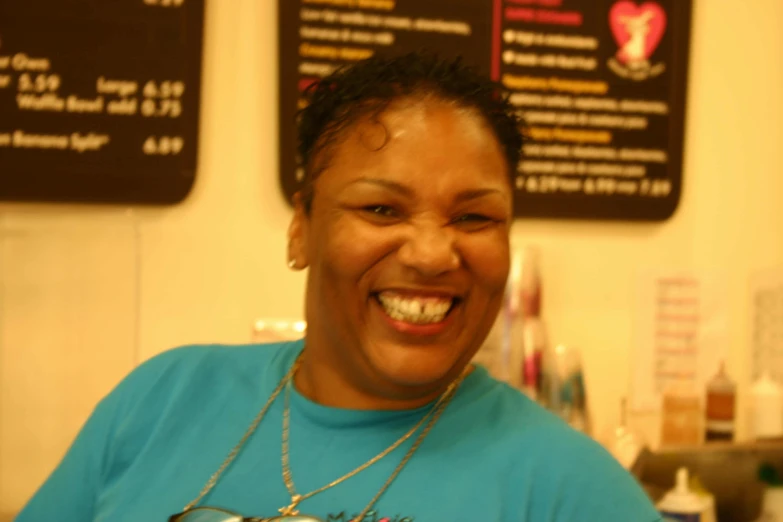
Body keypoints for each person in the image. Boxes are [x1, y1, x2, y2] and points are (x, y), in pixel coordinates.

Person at [16, 52, 661, 522]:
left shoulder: (568, 489)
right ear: (302, 228)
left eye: (475, 217)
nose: (434, 254)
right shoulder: (159, 403)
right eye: (382, 210)